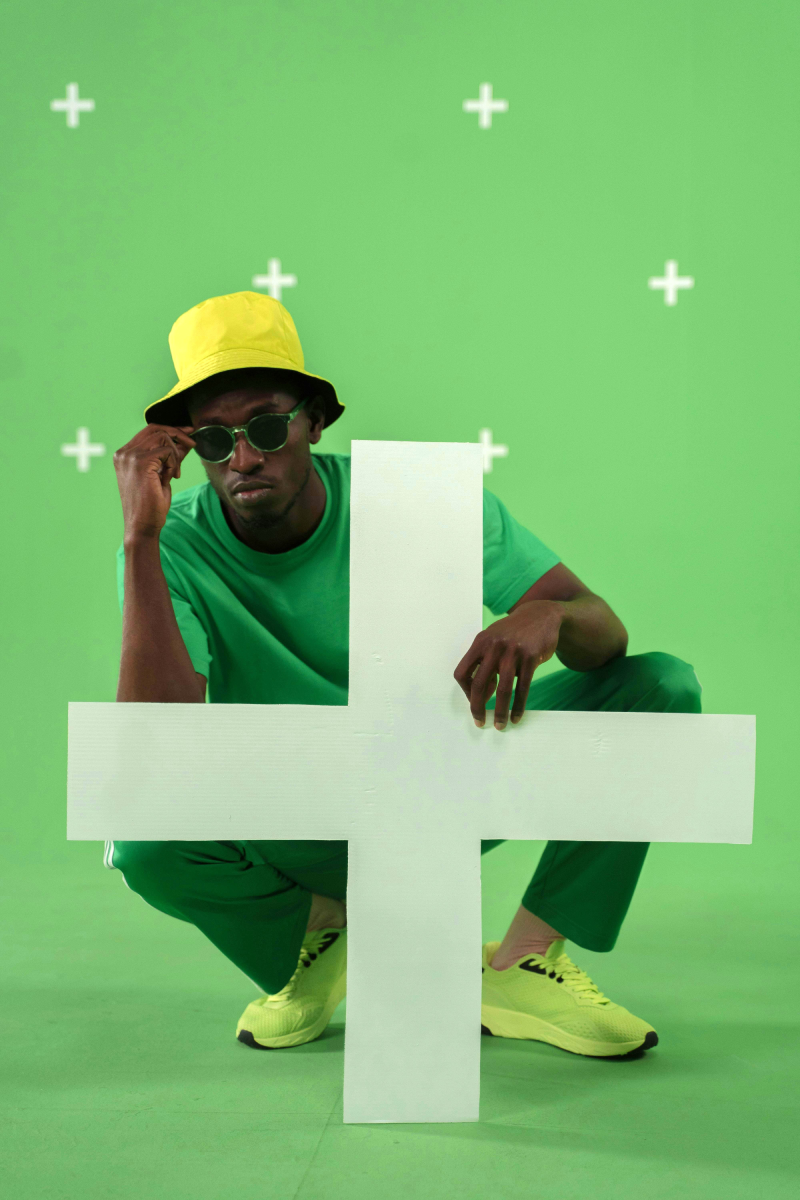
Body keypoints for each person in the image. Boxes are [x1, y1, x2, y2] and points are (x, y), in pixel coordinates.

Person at [109, 290, 701, 1059]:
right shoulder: (172, 544)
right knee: (140, 834)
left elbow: (605, 634)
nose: (244, 458)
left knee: (660, 689)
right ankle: (323, 934)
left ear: (314, 423)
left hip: (443, 781)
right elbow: (158, 739)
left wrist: (548, 617)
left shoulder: (419, 501)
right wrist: (138, 543)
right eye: (215, 441)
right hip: (289, 819)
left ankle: (523, 962)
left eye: (263, 426)